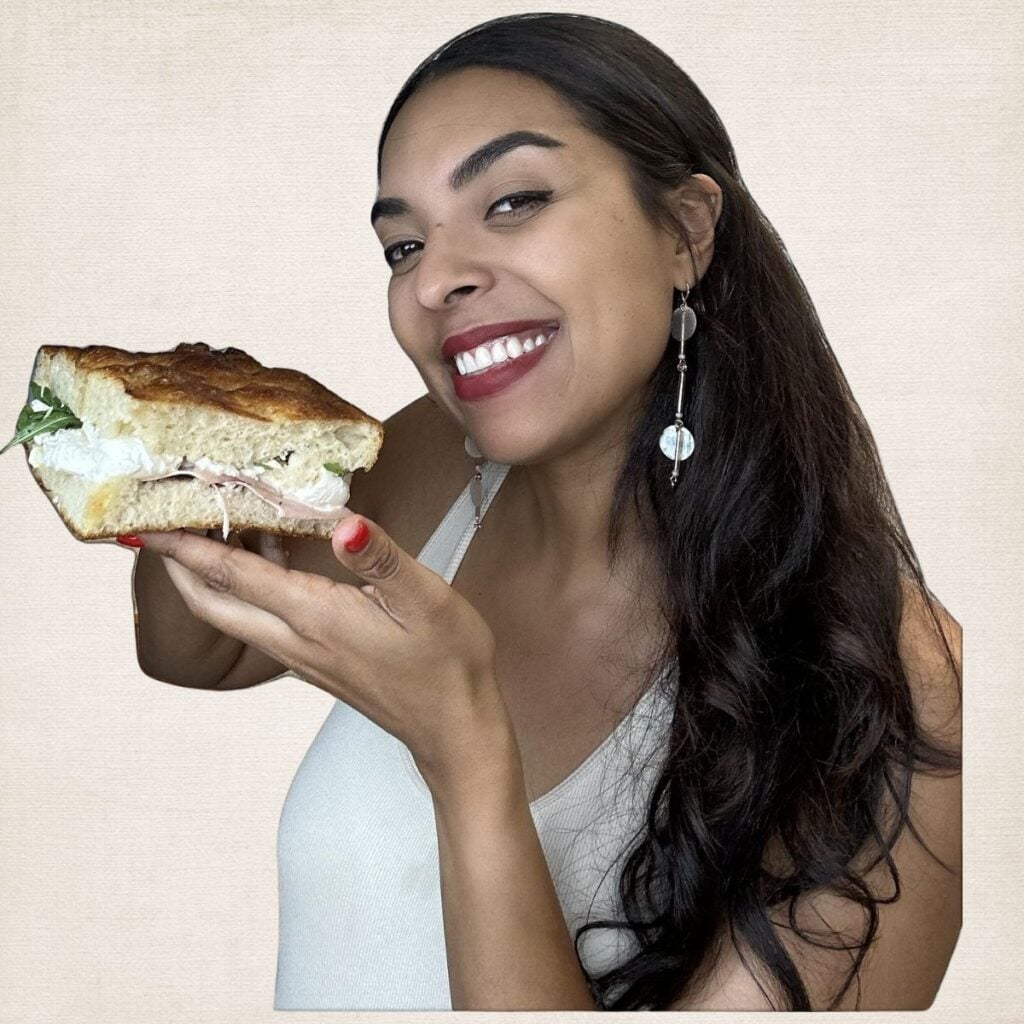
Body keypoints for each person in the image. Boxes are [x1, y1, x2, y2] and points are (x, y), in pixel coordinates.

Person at [123, 12, 962, 1012]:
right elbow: (194, 653)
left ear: (686, 232)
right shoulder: (443, 461)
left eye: (514, 200)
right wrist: (182, 464)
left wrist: (463, 746)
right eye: (401, 246)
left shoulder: (892, 671)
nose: (435, 279)